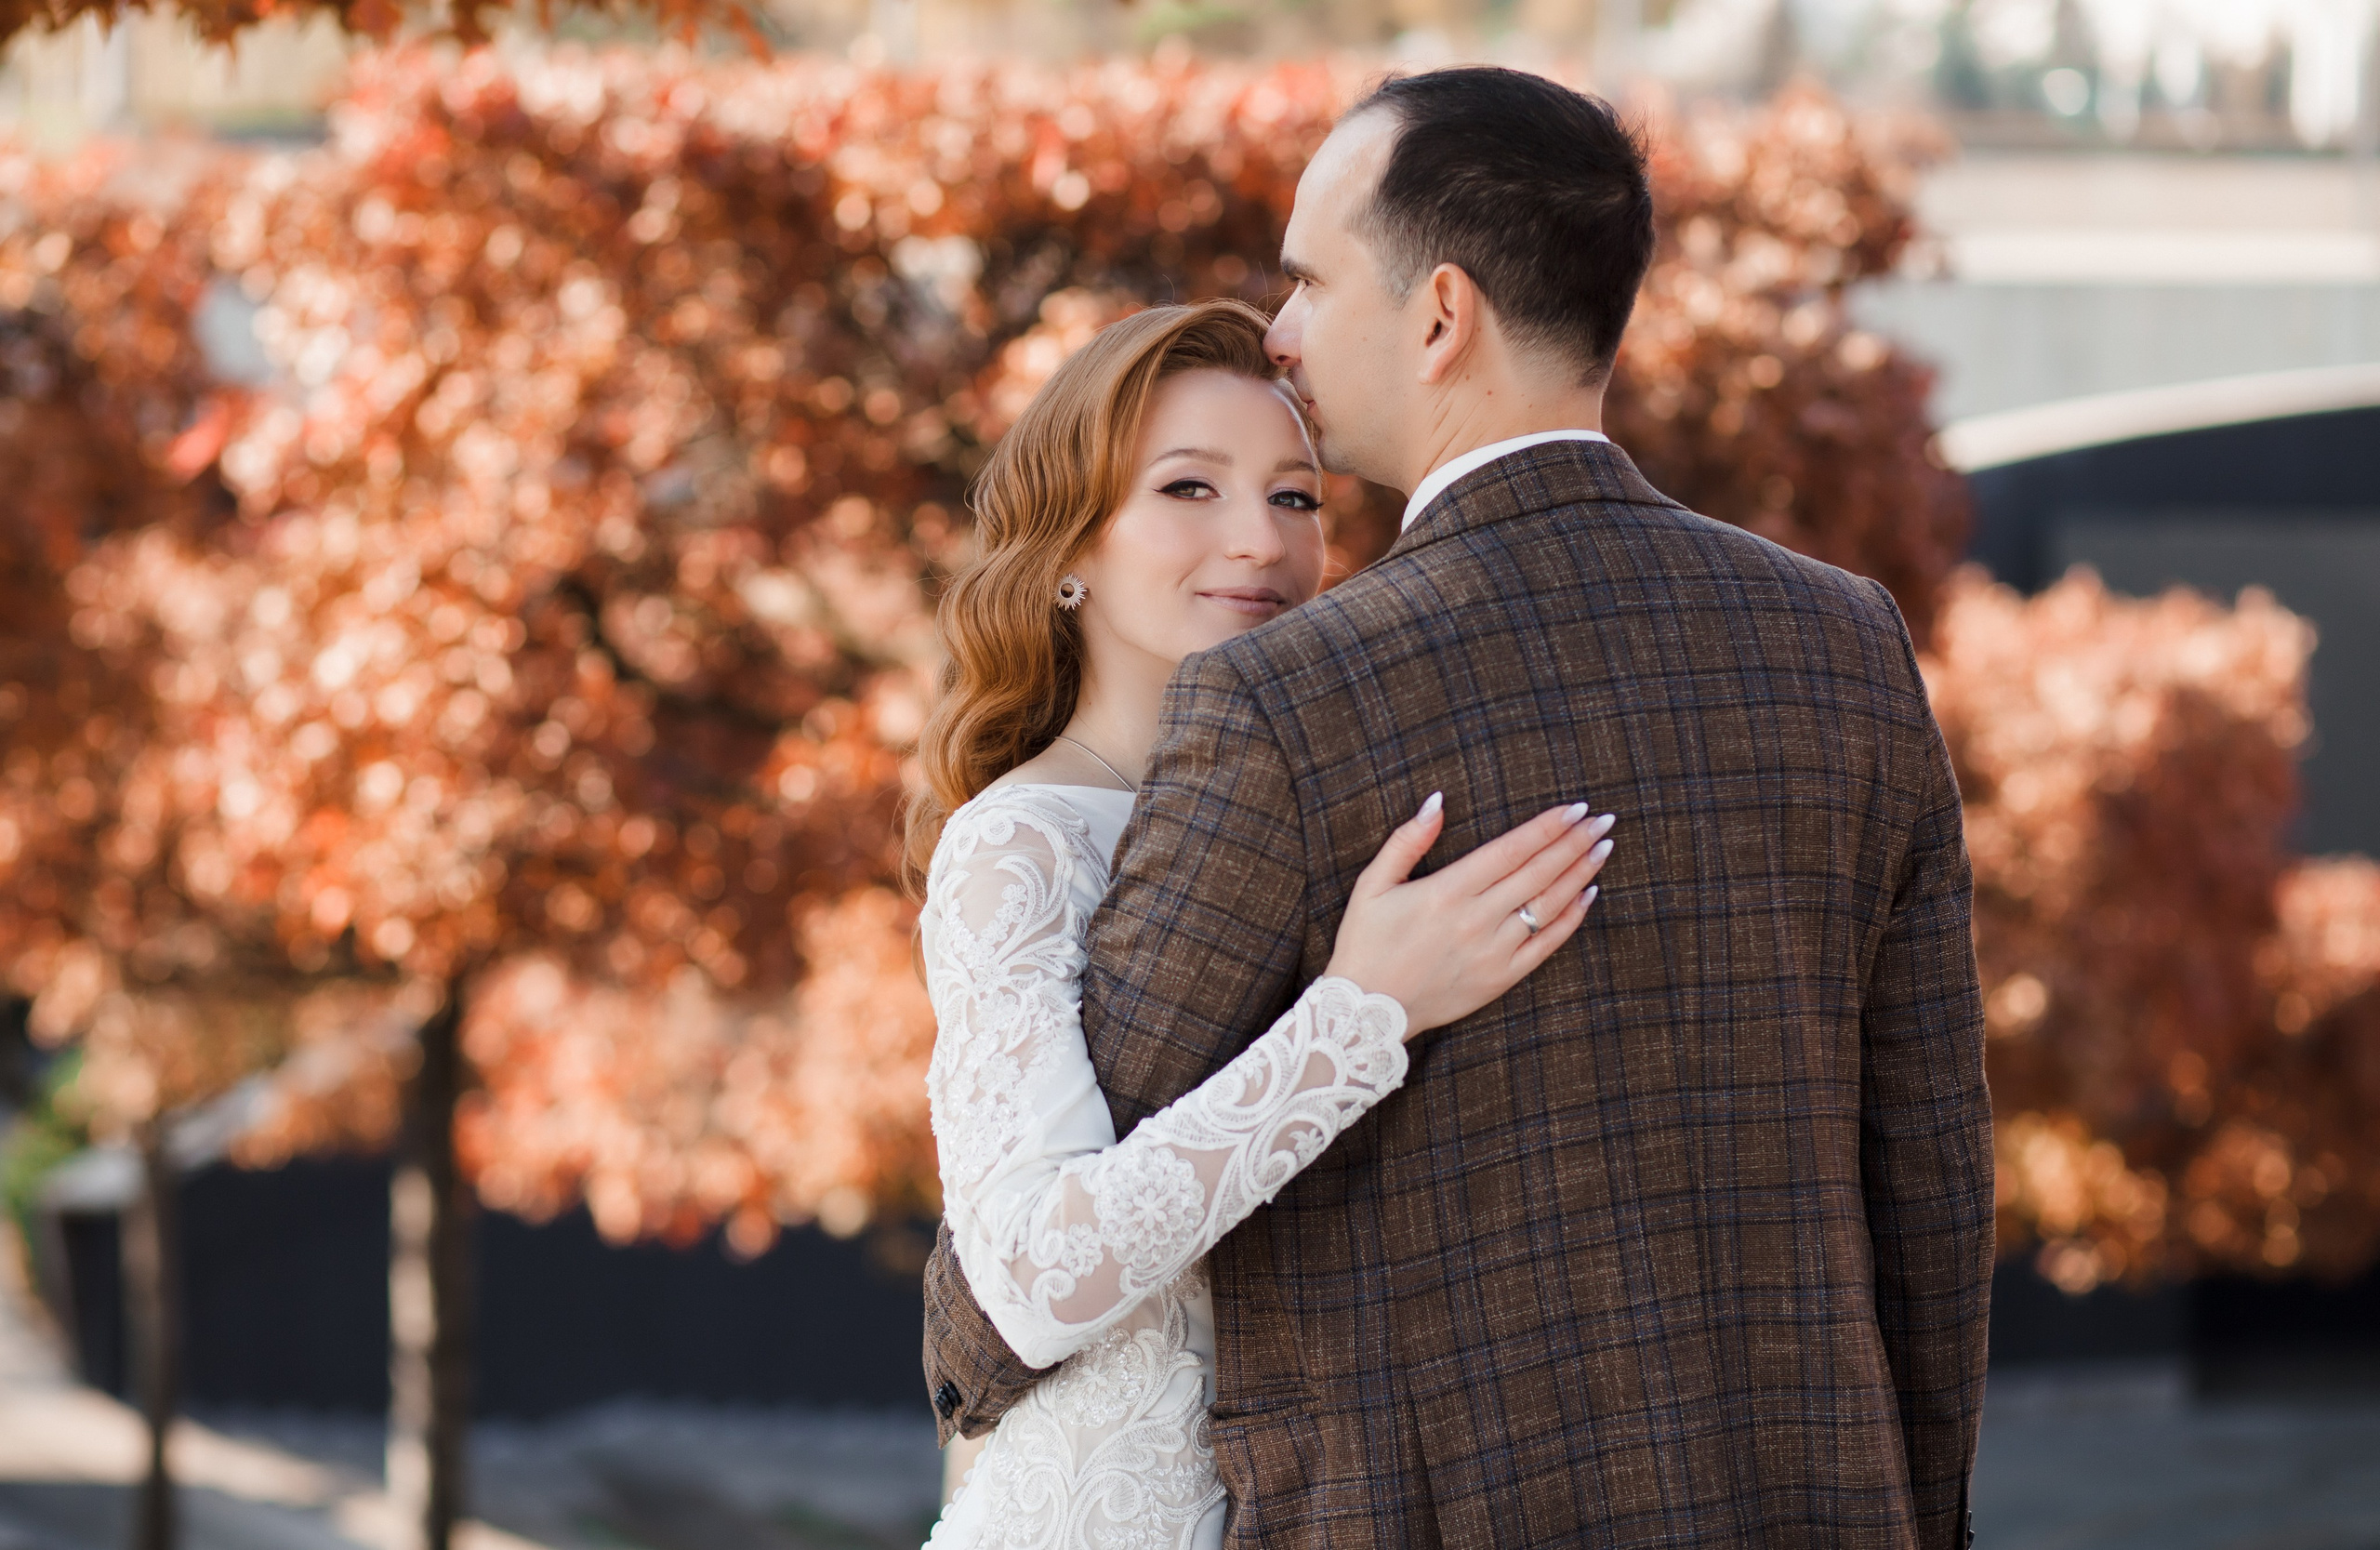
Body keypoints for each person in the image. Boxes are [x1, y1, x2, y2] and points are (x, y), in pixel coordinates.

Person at [923, 65, 1994, 1550]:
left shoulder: (1297, 702)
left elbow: (1051, 1224)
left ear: (1438, 312)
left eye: (1309, 276)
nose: (1287, 331)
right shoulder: (1848, 639)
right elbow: (1932, 1175)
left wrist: (962, 1361)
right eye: (1187, 490)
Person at [908, 298, 1616, 1550]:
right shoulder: (1016, 845)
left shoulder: (1357, 820)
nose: (1260, 541)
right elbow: (1027, 1279)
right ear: (1072, 546)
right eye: (1190, 488)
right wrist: (1361, 1018)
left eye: (1297, 499)